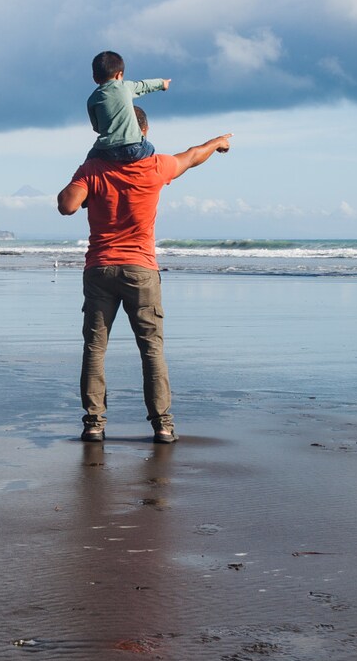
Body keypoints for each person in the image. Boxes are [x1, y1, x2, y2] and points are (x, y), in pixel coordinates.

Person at [57, 105, 232, 443]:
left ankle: (94, 424)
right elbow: (194, 156)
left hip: (100, 268)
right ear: (145, 132)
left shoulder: (94, 168)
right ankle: (163, 426)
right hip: (140, 270)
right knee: (151, 349)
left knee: (95, 349)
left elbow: (67, 204)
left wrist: (89, 164)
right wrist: (218, 142)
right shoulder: (155, 166)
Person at [85, 50, 169, 164]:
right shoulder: (125, 87)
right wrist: (162, 83)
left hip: (107, 151)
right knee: (150, 147)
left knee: (90, 159)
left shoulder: (92, 99)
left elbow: (96, 128)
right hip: (133, 148)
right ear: (119, 75)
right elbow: (144, 86)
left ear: (94, 78)